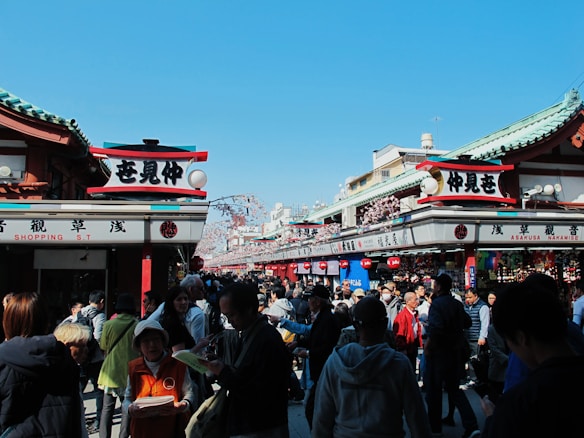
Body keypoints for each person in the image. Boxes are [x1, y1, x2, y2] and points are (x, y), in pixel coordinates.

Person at [312, 296, 432, 438]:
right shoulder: (399, 364)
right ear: (385, 324)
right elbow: (417, 417)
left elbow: (322, 417)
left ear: (355, 326)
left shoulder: (335, 362)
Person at [479, 279, 584, 437]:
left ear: (522, 338)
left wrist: (493, 419)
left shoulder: (520, 403)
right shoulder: (575, 334)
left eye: (510, 343)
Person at [200, 281, 291, 437]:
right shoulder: (251, 334)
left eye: (232, 315)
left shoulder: (266, 340)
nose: (229, 321)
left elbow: (259, 390)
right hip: (252, 424)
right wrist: (221, 365)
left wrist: (223, 372)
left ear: (249, 309)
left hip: (261, 427)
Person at [0, 292, 83, 436]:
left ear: (8, 321)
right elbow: (75, 414)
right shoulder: (64, 357)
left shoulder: (3, 358)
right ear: (45, 321)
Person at [424, 274, 479, 438]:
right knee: (454, 389)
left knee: (434, 391)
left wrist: (429, 347)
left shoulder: (437, 305)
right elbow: (467, 322)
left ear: (439, 287)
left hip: (439, 352)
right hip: (455, 352)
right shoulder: (456, 304)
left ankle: (435, 428)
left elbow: (436, 330)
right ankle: (471, 424)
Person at [124, 319, 196, 438]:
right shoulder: (134, 368)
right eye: (146, 341)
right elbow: (127, 398)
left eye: (156, 339)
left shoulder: (178, 365)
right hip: (142, 431)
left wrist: (183, 405)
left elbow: (189, 393)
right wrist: (130, 409)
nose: (152, 345)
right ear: (139, 346)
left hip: (173, 430)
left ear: (163, 342)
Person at [295, 284, 341, 430]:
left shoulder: (327, 320)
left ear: (317, 301)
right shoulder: (322, 317)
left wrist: (308, 353)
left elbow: (327, 347)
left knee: (313, 410)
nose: (308, 303)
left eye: (310, 299)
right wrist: (298, 342)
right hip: (321, 373)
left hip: (324, 372)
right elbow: (315, 338)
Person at [97, 293, 140, 438]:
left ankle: (104, 436)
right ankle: (123, 435)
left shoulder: (108, 325)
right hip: (130, 371)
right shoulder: (137, 325)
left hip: (111, 370)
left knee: (107, 408)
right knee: (126, 407)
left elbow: (103, 346)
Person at [54, 322, 93, 438]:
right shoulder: (57, 377)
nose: (86, 350)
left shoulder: (72, 372)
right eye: (81, 346)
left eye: (86, 345)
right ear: (66, 346)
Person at [79, 290, 107, 434]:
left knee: (78, 388)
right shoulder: (100, 316)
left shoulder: (79, 313)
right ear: (101, 302)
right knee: (98, 391)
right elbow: (98, 337)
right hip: (95, 360)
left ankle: (78, 417)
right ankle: (98, 420)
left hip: (80, 359)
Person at [464, 288, 490, 383]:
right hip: (468, 336)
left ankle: (478, 378)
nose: (468, 300)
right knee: (469, 358)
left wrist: (482, 337)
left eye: (470, 297)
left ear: (476, 296)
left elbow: (485, 323)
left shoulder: (482, 307)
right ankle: (472, 377)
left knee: (477, 359)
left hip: (477, 338)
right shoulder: (466, 306)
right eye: (467, 297)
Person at [392, 291, 423, 370]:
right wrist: (402, 348)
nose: (417, 302)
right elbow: (399, 334)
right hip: (406, 348)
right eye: (415, 299)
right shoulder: (402, 316)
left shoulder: (414, 314)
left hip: (413, 347)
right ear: (408, 302)